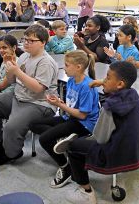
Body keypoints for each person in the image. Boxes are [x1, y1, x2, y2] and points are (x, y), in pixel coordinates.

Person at [54, 61, 139, 204]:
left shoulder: (109, 108)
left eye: (107, 78)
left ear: (120, 84)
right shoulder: (133, 95)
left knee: (73, 148)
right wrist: (103, 83)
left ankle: (85, 192)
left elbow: (101, 138)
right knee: (85, 141)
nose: (104, 80)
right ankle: (79, 141)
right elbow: (115, 87)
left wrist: (88, 139)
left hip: (119, 153)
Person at [0, 24, 59, 166]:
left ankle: (12, 153)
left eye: (31, 40)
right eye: (25, 39)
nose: (26, 42)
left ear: (43, 43)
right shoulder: (24, 57)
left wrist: (17, 71)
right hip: (19, 98)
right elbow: (11, 81)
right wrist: (9, 68)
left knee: (11, 127)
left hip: (39, 104)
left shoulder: (46, 62)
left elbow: (38, 89)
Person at [29, 50, 99, 188]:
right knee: (33, 123)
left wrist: (60, 104)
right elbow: (72, 104)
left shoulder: (87, 86)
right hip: (70, 117)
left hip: (83, 123)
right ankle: (65, 140)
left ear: (78, 67)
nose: (64, 68)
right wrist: (59, 101)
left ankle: (65, 167)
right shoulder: (72, 80)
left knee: (44, 139)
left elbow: (82, 115)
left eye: (66, 65)